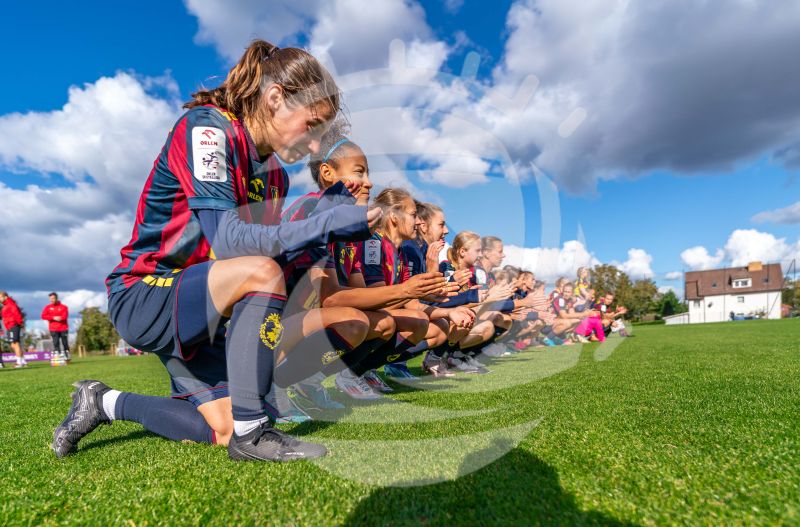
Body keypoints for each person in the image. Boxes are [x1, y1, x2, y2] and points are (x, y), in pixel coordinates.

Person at [52, 40, 381, 462]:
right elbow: (228, 240)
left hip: (208, 306)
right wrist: (321, 223)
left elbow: (265, 254)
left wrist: (330, 224)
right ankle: (254, 436)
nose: (316, 147)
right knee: (261, 280)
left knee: (220, 427)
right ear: (275, 98)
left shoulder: (275, 175)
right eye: (312, 125)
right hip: (144, 292)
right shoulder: (207, 130)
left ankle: (102, 401)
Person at [0, 291, 27, 368]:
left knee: (15, 343)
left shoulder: (11, 304)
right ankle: (22, 361)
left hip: (13, 325)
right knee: (13, 344)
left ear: (5, 297)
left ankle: (19, 362)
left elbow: (17, 314)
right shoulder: (5, 305)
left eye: (0, 297)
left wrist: (20, 323)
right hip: (9, 326)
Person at [42, 292, 70, 361]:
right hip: (53, 329)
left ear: (56, 298)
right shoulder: (47, 307)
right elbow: (43, 316)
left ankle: (67, 357)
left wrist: (60, 318)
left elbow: (65, 316)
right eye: (50, 299)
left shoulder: (64, 307)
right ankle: (59, 358)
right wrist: (53, 317)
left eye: (53, 298)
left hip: (63, 328)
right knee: (56, 343)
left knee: (65, 343)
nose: (52, 300)